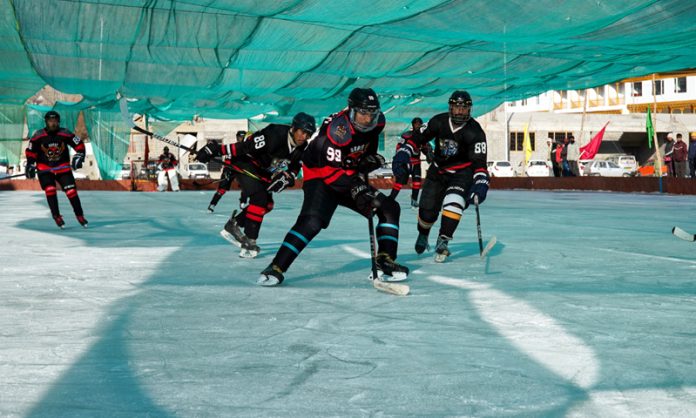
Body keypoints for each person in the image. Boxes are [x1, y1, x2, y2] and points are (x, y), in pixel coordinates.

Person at [257, 88, 408, 286]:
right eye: (362, 113)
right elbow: (330, 173)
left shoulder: (378, 122)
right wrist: (357, 187)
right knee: (312, 222)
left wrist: (366, 160)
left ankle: (385, 261)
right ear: (352, 111)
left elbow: (364, 147)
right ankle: (276, 267)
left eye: (371, 113)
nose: (366, 119)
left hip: (345, 174)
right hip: (320, 175)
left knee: (389, 208)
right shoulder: (338, 131)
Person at [197, 113, 316, 258]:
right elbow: (245, 147)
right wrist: (216, 150)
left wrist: (289, 177)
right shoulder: (275, 133)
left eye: (308, 134)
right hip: (245, 161)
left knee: (268, 205)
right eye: (302, 132)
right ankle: (249, 241)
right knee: (259, 199)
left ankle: (233, 225)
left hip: (262, 170)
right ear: (293, 128)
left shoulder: (302, 147)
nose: (304, 137)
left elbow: (296, 165)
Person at [392, 90, 489, 263]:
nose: (460, 112)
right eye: (456, 107)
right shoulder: (438, 121)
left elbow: (479, 164)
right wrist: (405, 151)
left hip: (461, 173)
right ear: (450, 107)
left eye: (464, 108)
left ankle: (443, 240)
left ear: (469, 109)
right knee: (427, 211)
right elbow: (417, 137)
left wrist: (481, 183)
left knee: (455, 202)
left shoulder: (476, 132)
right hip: (437, 171)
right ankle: (423, 234)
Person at [25, 110, 88, 228]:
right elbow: (30, 151)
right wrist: (30, 164)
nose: (53, 124)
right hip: (44, 169)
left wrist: (80, 155)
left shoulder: (65, 133)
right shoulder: (38, 136)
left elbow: (79, 144)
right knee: (50, 189)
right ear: (46, 122)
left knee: (71, 191)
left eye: (55, 121)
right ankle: (56, 216)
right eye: (50, 121)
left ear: (58, 122)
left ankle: (80, 215)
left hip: (62, 168)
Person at [390, 117, 432, 208]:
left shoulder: (423, 137)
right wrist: (400, 159)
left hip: (416, 163)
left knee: (417, 182)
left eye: (419, 124)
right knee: (399, 181)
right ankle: (391, 199)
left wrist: (429, 154)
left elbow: (426, 150)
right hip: (406, 163)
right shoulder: (406, 135)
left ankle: (414, 200)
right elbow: (399, 147)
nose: (417, 125)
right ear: (413, 125)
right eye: (416, 123)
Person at [207, 130, 247, 212]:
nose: (240, 139)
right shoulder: (233, 147)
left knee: (246, 186)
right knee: (222, 188)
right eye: (239, 137)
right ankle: (212, 204)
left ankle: (243, 202)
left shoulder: (247, 148)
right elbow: (227, 159)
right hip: (230, 169)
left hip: (240, 170)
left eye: (242, 137)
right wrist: (227, 170)